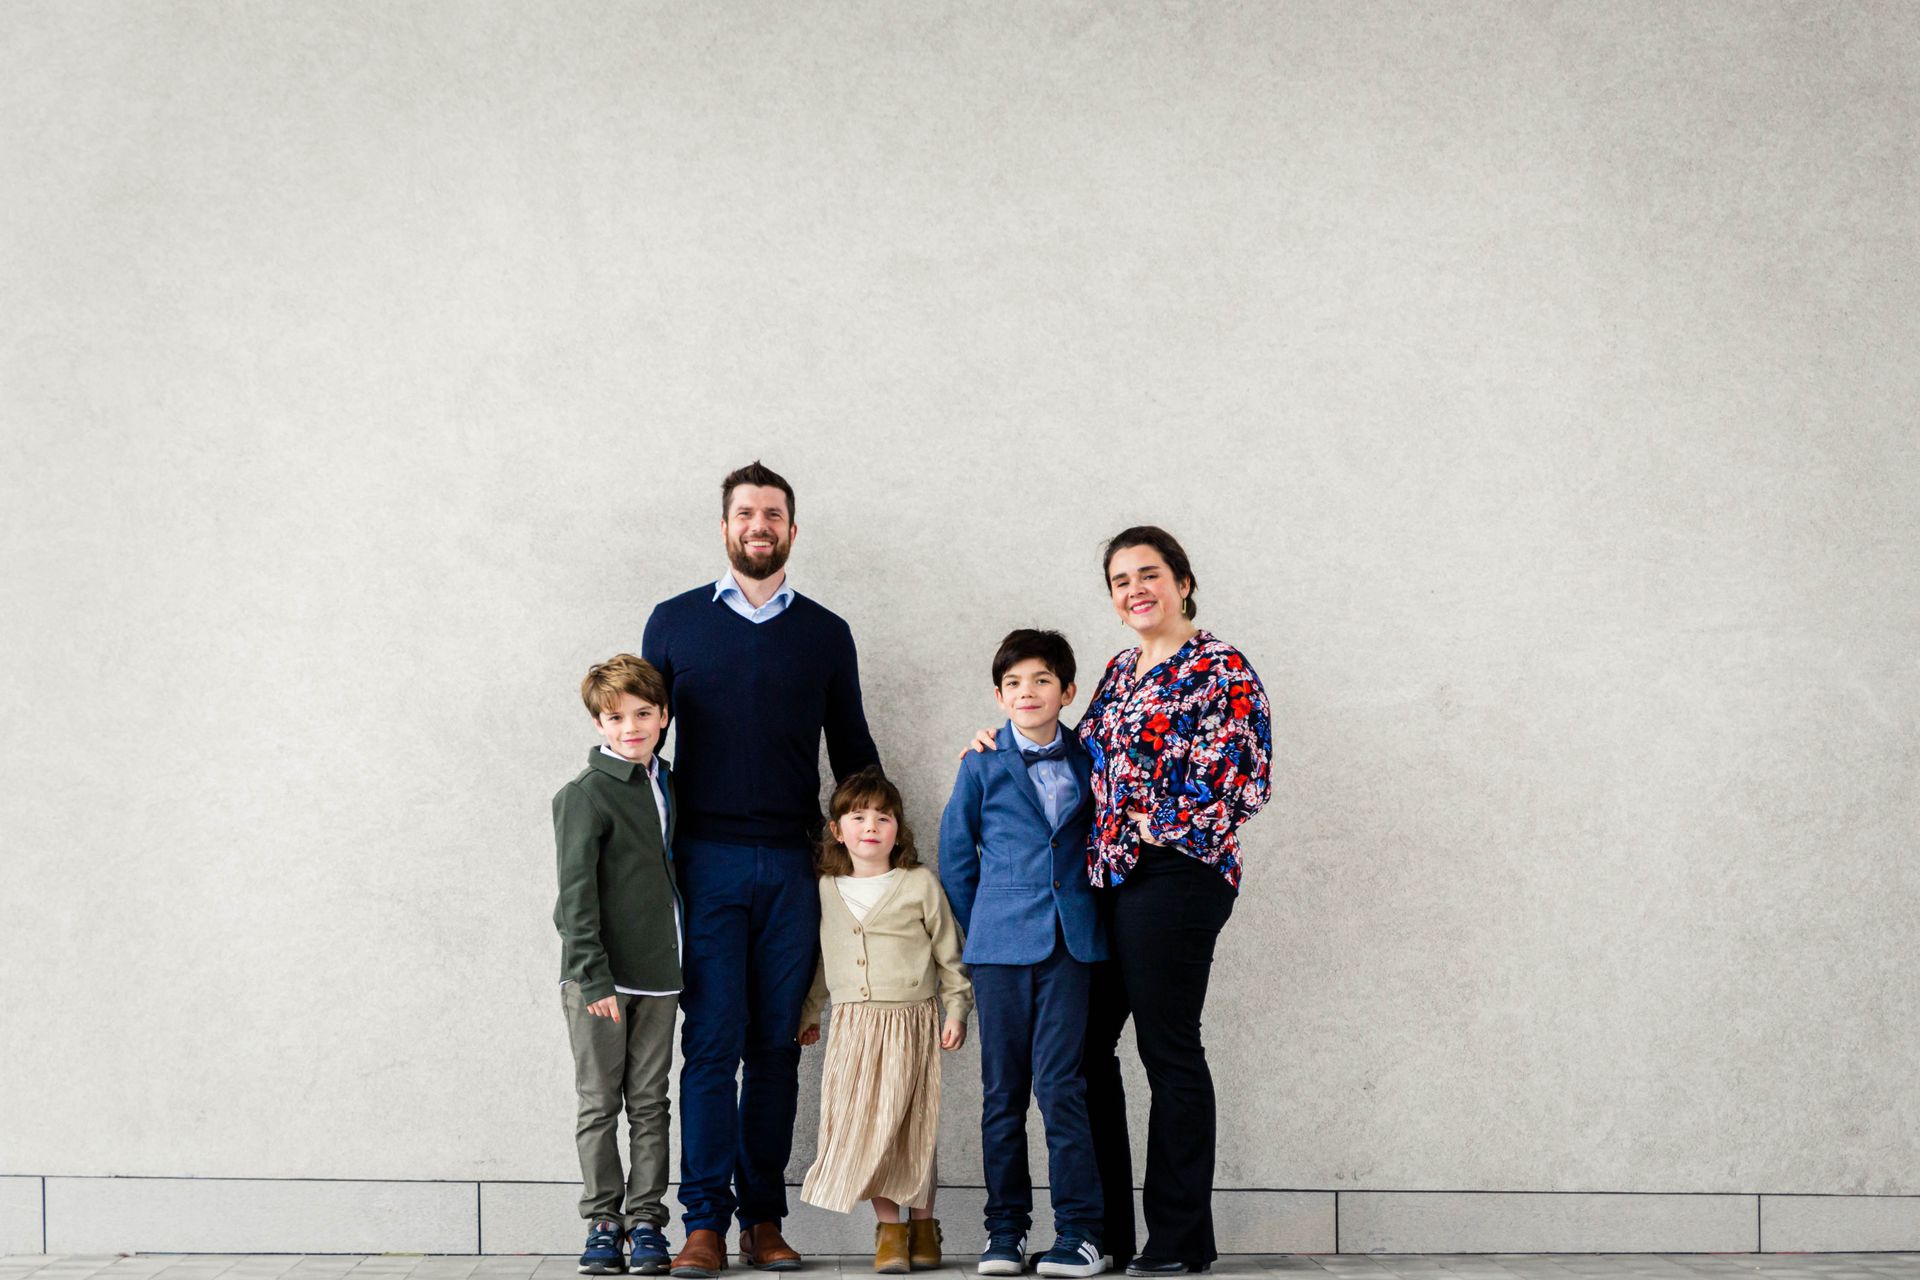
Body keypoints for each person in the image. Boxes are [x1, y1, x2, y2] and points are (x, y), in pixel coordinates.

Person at [964, 527, 1271, 1276]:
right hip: (1107, 883)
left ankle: (1177, 1241)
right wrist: (1003, 744)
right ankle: (1099, 1233)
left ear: (1184, 582)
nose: (1136, 588)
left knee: (1167, 1049)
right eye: (1120, 579)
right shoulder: (1121, 669)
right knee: (1083, 1051)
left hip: (1177, 876)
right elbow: (1076, 751)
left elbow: (1244, 781)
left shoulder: (1219, 665)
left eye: (1150, 574)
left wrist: (1147, 824)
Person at [640, 461, 881, 1277]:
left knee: (776, 1047)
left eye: (773, 514)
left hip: (791, 863)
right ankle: (701, 1224)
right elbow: (644, 752)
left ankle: (763, 1222)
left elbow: (853, 755)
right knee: (710, 1045)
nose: (759, 526)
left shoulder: (824, 633)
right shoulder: (673, 624)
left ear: (791, 529)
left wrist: (872, 872)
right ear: (725, 527)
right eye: (745, 514)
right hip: (702, 863)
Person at [939, 629, 1110, 1278]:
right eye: (1013, 683)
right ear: (998, 695)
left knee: (1063, 1086)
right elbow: (958, 856)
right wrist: (985, 922)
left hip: (1073, 946)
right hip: (1000, 948)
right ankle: (1004, 1234)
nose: (1027, 692)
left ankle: (1080, 1234)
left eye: (1041, 680)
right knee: (1002, 1093)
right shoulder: (980, 763)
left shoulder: (1094, 758)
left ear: (1067, 691)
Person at [797, 768, 972, 1274]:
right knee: (863, 1128)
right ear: (838, 830)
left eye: (883, 817)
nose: (870, 826)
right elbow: (824, 963)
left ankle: (924, 1226)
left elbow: (950, 955)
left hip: (912, 1021)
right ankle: (890, 1230)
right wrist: (811, 1013)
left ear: (898, 828)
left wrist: (956, 1009)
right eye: (857, 817)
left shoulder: (918, 883)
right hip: (853, 1024)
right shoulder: (827, 889)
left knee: (911, 1128)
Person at [552, 655, 686, 1276]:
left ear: (662, 716)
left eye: (642, 713)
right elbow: (574, 900)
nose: (630, 726)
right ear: (599, 723)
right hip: (601, 981)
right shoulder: (583, 795)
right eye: (615, 717)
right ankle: (603, 1220)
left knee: (652, 1103)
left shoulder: (666, 782)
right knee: (600, 1102)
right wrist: (592, 977)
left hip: (660, 975)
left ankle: (647, 1221)